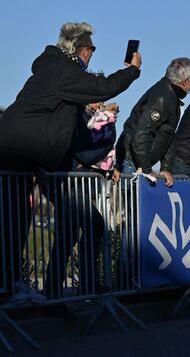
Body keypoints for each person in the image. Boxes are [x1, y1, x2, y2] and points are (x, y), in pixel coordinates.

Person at [0, 22, 141, 300]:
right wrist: (132, 71)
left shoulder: (55, 72)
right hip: (14, 152)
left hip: (29, 156)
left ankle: (39, 287)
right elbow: (102, 86)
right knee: (15, 220)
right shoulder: (64, 71)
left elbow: (63, 129)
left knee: (45, 218)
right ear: (81, 49)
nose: (92, 55)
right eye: (92, 48)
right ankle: (11, 286)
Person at [114, 58, 190, 186]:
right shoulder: (162, 99)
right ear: (185, 82)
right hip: (131, 161)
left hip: (139, 161)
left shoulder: (172, 97)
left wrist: (166, 168)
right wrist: (147, 169)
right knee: (131, 203)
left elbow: (168, 135)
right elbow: (141, 135)